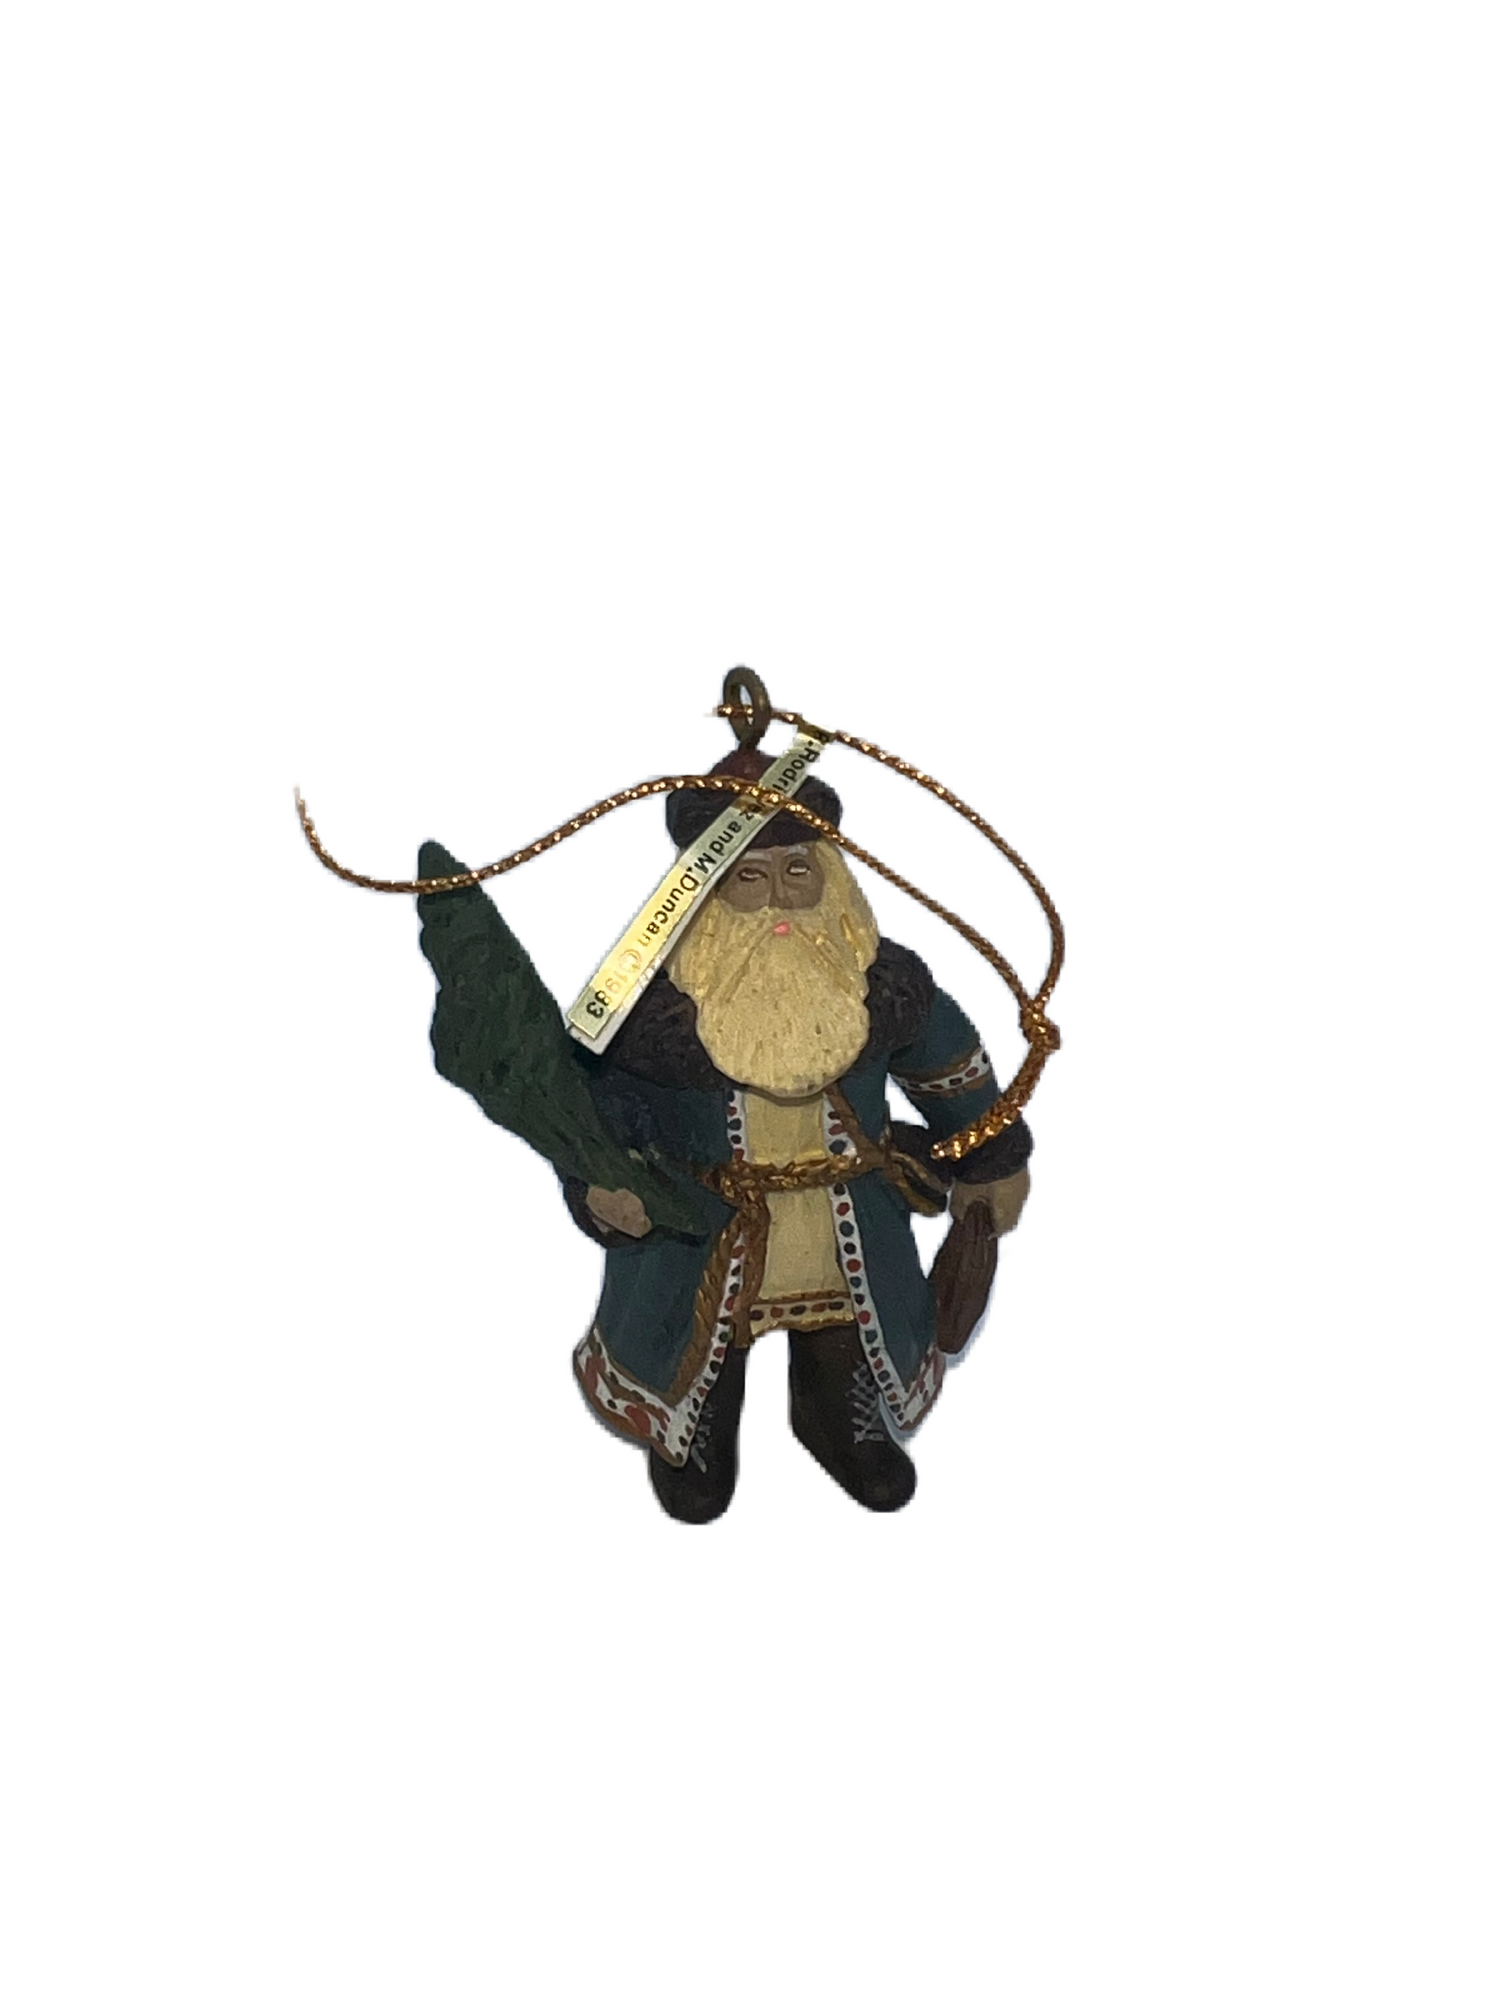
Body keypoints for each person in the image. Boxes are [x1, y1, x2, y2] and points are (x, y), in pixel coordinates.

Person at [566, 746, 1033, 1523]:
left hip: (850, 1218)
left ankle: (838, 1413)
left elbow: (951, 1070)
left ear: (831, 879)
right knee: (704, 1337)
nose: (778, 900)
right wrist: (599, 1182)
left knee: (845, 1324)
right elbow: (592, 1110)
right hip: (703, 1225)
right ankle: (696, 1426)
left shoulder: (884, 985)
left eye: (796, 872)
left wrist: (990, 1157)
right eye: (748, 879)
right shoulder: (644, 1008)